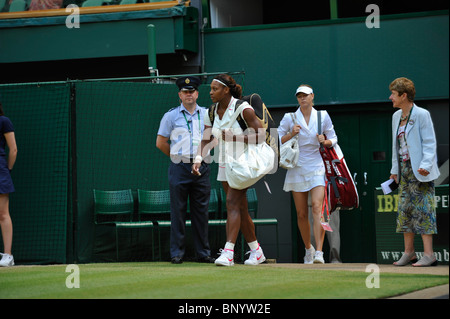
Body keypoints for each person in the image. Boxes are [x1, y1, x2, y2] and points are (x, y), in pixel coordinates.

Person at [192, 74, 267, 266]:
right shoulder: (211, 111)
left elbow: (261, 136)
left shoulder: (243, 109)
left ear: (226, 90)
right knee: (240, 207)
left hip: (244, 163)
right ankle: (256, 251)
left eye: (214, 89)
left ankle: (228, 252)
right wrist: (199, 158)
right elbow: (207, 138)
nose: (210, 93)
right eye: (210, 89)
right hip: (225, 164)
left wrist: (235, 138)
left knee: (232, 203)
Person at [156, 76, 214, 264]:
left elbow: (212, 139)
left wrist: (199, 159)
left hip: (202, 165)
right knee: (178, 211)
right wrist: (177, 158)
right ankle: (177, 253)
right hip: (179, 167)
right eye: (185, 92)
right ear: (179, 95)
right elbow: (160, 142)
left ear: (197, 93)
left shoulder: (206, 114)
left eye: (192, 91)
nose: (189, 94)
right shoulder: (170, 116)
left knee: (201, 212)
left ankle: (203, 253)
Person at [278, 84, 337, 264]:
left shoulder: (323, 115)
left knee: (318, 208)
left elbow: (334, 138)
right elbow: (276, 139)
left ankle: (319, 251)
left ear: (312, 96)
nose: (302, 98)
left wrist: (325, 141)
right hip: (297, 166)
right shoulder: (290, 117)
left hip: (317, 166)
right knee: (302, 213)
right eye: (299, 96)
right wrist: (291, 134)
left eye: (305, 95)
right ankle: (308, 250)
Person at [388, 77, 440, 267]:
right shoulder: (395, 117)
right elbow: (396, 147)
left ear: (404, 95)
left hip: (421, 171)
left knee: (424, 211)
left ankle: (429, 255)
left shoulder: (422, 114)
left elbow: (429, 142)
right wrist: (395, 170)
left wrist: (426, 165)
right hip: (404, 171)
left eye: (393, 94)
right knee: (404, 212)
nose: (390, 97)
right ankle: (409, 253)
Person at [0, 99, 17, 267]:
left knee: (3, 213)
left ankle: (8, 256)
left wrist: (8, 170)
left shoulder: (4, 121)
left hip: (0, 170)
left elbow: (13, 149)